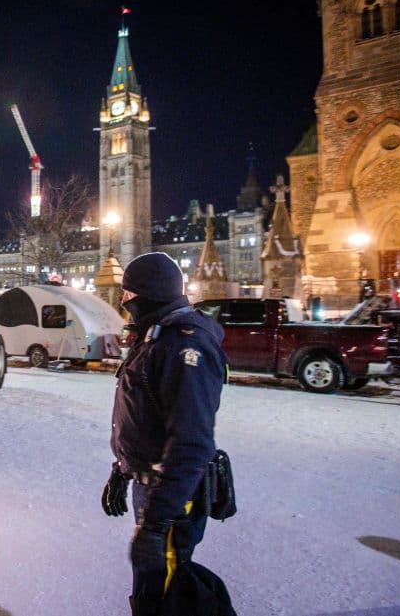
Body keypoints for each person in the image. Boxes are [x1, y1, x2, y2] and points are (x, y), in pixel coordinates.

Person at [101, 252, 228, 616]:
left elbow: (191, 444)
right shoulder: (157, 336)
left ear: (149, 294)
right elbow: (146, 416)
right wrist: (123, 467)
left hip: (172, 497)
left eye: (128, 295)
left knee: (165, 598)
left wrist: (157, 524)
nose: (124, 303)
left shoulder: (182, 346)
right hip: (154, 487)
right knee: (150, 588)